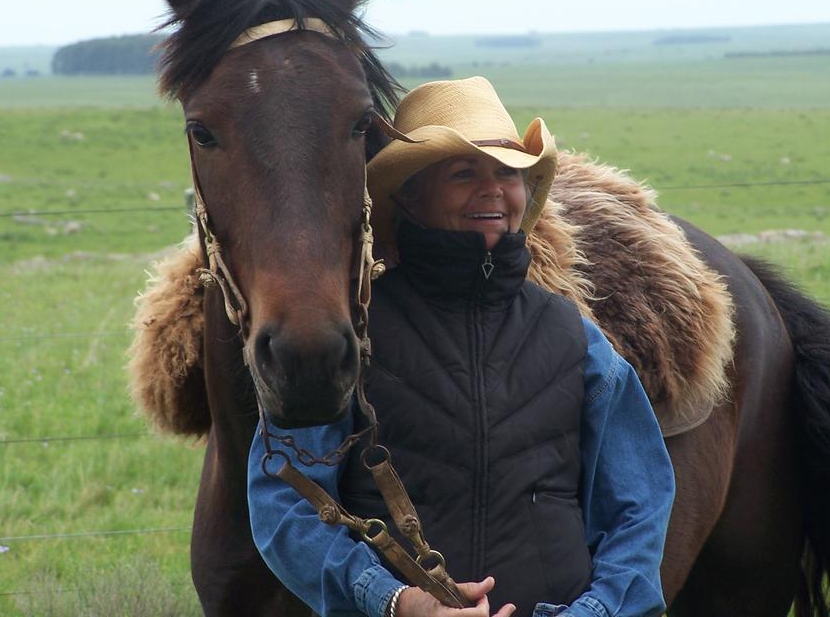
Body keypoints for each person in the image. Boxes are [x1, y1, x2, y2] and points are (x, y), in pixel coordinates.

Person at [248, 77, 675, 617]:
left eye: (508, 173)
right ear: (410, 196)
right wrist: (399, 603)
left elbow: (640, 507)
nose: (494, 188)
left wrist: (594, 612)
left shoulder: (576, 338)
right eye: (464, 173)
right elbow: (284, 503)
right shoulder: (349, 342)